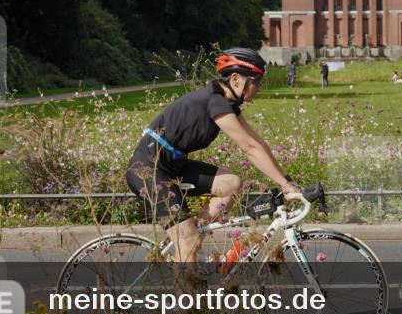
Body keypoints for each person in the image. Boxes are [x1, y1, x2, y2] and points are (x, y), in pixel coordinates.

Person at [125, 48, 300, 273]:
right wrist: (285, 185)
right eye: (256, 81)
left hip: (172, 166)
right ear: (236, 80)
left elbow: (258, 143)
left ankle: (190, 241)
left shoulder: (224, 102)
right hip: (147, 169)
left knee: (233, 184)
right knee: (187, 240)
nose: (259, 87)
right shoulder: (215, 102)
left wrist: (286, 180)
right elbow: (248, 148)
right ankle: (187, 303)